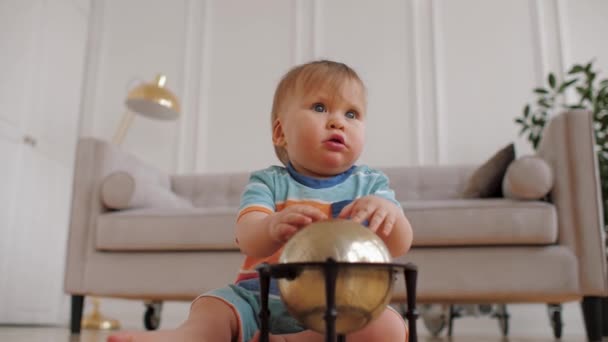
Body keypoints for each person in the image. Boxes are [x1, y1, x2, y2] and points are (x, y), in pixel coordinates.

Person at [108, 60, 413, 342]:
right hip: (260, 299)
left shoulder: (371, 185)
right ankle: (178, 338)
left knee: (390, 327)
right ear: (281, 132)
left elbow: (400, 244)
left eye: (351, 114)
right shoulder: (268, 182)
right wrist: (270, 227)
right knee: (213, 307)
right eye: (320, 107)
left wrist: (388, 213)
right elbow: (247, 238)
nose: (338, 122)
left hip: (342, 306)